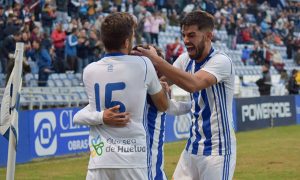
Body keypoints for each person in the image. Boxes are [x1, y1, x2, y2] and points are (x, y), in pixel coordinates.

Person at [133, 10, 236, 180]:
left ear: (209, 35)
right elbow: (158, 83)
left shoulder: (221, 61)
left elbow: (193, 84)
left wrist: (157, 60)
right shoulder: (185, 59)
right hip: (193, 146)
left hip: (218, 149)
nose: (186, 41)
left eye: (192, 35)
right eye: (184, 35)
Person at [74, 46, 191, 180]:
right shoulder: (152, 94)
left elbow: (79, 115)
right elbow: (173, 108)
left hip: (137, 163)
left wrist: (100, 116)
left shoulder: (134, 91)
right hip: (146, 166)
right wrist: (196, 106)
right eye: (158, 63)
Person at [79, 12, 168, 180]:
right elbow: (163, 105)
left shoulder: (89, 70)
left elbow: (89, 110)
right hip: (132, 158)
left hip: (100, 159)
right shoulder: (143, 64)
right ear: (127, 41)